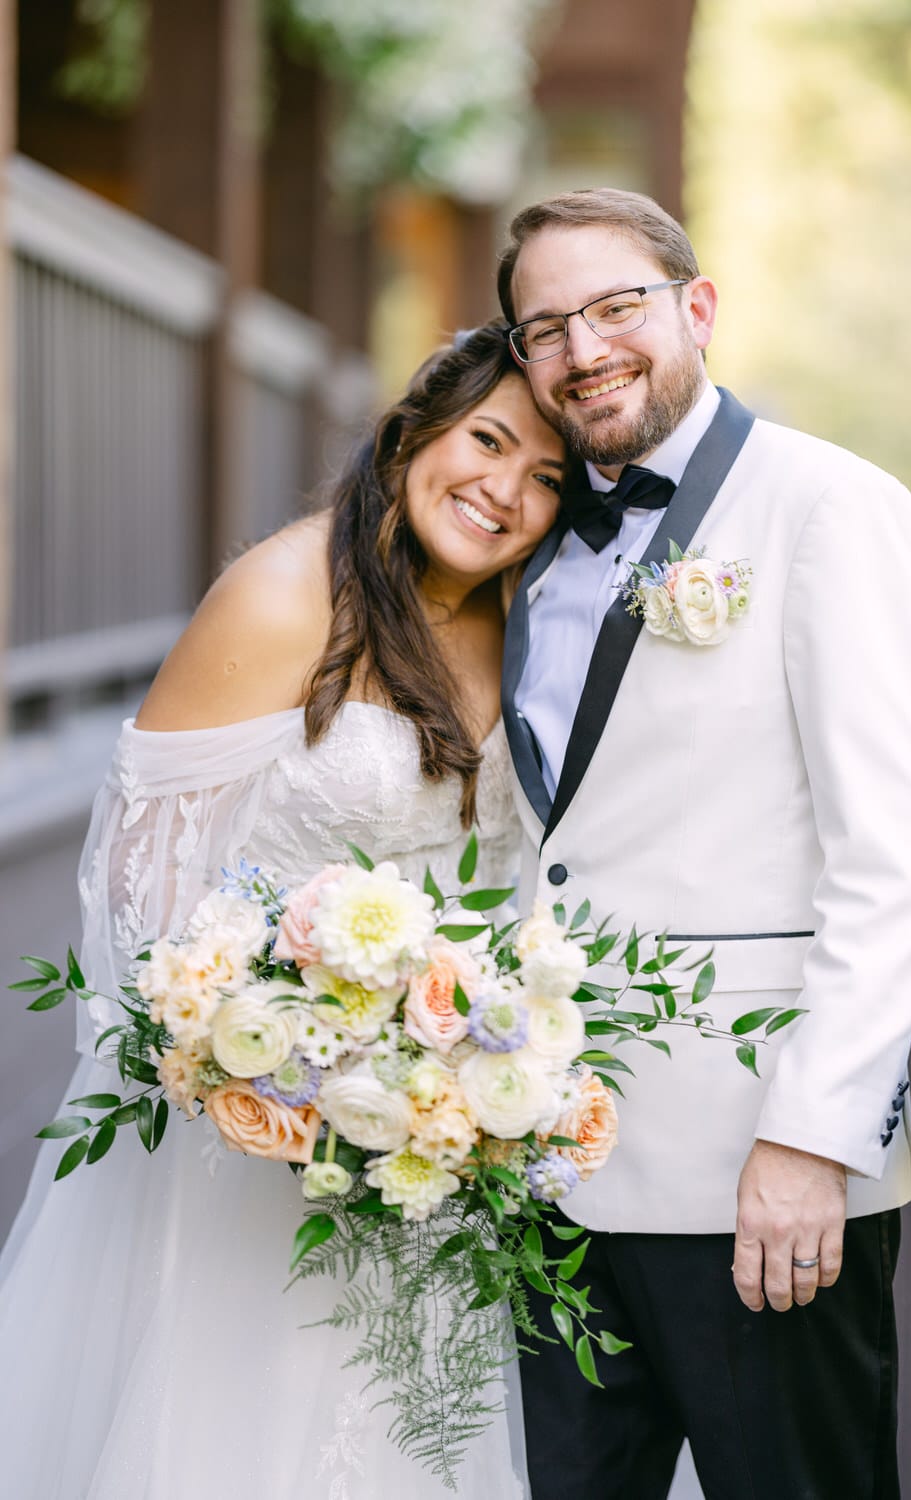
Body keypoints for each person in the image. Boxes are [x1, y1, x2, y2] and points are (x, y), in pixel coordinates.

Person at [0, 322, 562, 1499]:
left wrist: (449, 1073)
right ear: (418, 427)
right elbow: (135, 892)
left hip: (425, 1139)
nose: (503, 492)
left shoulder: (521, 627)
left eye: (546, 479)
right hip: (246, 1138)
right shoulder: (279, 595)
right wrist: (264, 1068)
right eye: (488, 441)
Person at [497, 188, 911, 1498]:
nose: (583, 348)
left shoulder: (830, 507)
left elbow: (895, 855)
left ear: (695, 308)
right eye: (544, 326)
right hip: (550, 1176)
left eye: (614, 307)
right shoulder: (526, 545)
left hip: (758, 1182)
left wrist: (813, 1141)